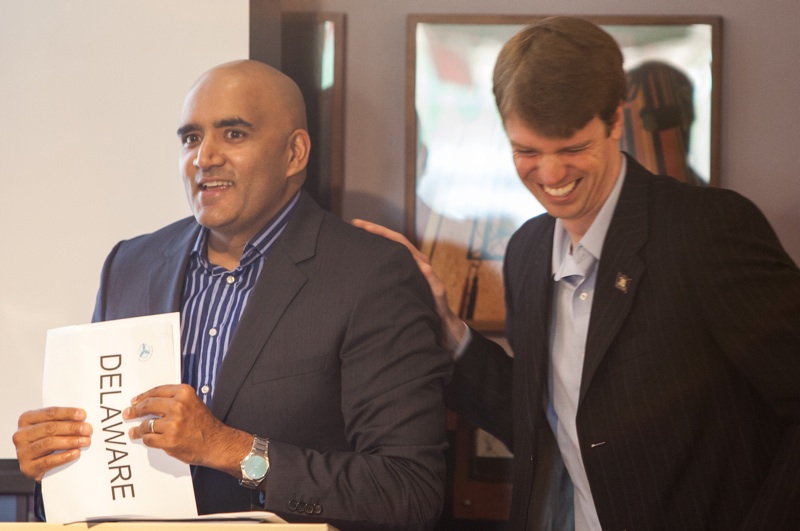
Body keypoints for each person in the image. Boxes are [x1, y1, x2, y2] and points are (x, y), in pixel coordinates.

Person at [355, 16, 800, 530]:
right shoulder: (527, 249)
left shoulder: (707, 228)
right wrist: (449, 333)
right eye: (526, 151)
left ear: (615, 121)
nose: (549, 175)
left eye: (571, 149)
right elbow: (546, 424)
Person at [13, 60, 451, 531]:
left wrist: (231, 450)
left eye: (234, 135)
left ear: (294, 153)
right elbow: (93, 482)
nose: (204, 157)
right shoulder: (130, 266)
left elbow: (409, 490)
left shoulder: (370, 275)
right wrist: (56, 467)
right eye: (191, 138)